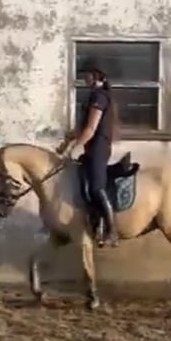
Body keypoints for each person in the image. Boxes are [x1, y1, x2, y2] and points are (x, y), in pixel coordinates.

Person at [58, 64, 120, 248]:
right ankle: (96, 225)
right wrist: (66, 143)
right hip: (92, 148)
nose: (84, 78)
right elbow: (81, 129)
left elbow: (91, 129)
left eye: (87, 74)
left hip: (98, 148)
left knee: (96, 188)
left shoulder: (99, 97)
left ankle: (112, 231)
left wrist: (75, 148)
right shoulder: (94, 96)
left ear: (96, 76)